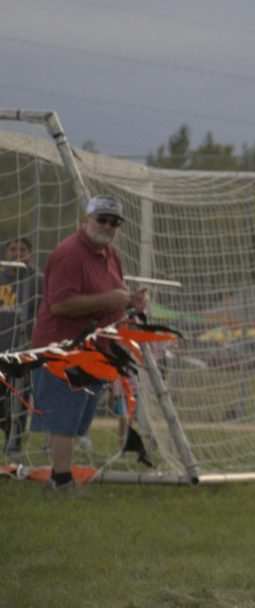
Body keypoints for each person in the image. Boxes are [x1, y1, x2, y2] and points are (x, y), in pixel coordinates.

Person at [29, 196, 147, 489]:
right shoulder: (69, 253)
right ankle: (61, 479)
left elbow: (115, 297)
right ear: (85, 220)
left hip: (96, 350)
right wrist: (108, 300)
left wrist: (132, 302)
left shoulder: (109, 254)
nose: (108, 226)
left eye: (114, 222)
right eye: (102, 219)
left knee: (79, 419)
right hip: (63, 348)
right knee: (65, 418)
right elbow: (59, 305)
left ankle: (61, 473)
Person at [1, 236, 42, 456]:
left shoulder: (37, 280)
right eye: (12, 249)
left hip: (23, 349)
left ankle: (14, 443)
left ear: (30, 254)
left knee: (19, 397)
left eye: (22, 249)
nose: (17, 253)